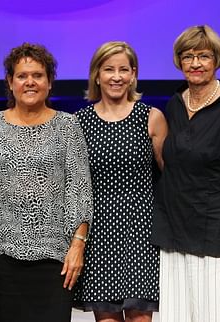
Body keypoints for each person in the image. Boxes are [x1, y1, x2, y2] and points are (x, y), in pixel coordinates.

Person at [151, 25, 220, 322]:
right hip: (174, 240)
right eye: (188, 56)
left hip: (216, 243)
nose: (195, 63)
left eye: (203, 56)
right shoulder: (175, 105)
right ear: (179, 61)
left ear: (217, 60)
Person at [0, 43, 93, 322]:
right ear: (10, 82)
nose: (30, 82)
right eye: (21, 75)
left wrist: (78, 245)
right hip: (4, 258)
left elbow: (79, 189)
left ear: (50, 82)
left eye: (38, 75)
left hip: (56, 259)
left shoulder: (67, 126)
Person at [73, 41, 168, 322]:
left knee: (140, 317)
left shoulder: (152, 118)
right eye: (109, 69)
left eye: (123, 69)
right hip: (100, 233)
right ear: (97, 75)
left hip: (142, 233)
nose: (116, 76)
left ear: (133, 74)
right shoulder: (80, 122)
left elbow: (170, 178)